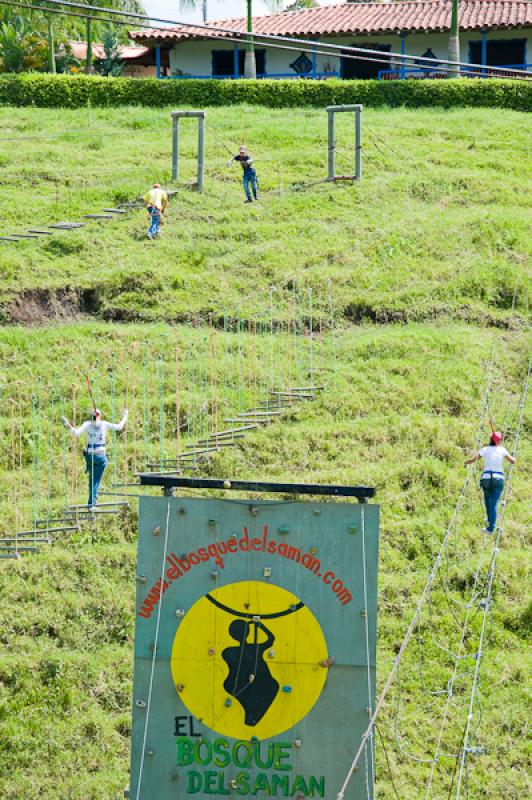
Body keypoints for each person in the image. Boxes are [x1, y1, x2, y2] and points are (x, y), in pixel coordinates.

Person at [61, 407, 128, 509]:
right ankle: (91, 504)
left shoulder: (87, 424)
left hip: (90, 456)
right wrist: (125, 415)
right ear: (99, 416)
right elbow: (119, 427)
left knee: (92, 480)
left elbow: (76, 433)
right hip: (100, 456)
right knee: (96, 480)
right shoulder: (104, 424)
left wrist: (68, 425)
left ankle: (91, 503)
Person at [464, 430, 515, 534]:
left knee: (487, 502)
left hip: (486, 478)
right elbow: (513, 461)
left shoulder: (485, 449)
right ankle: (491, 528)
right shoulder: (502, 450)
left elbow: (473, 460)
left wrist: (466, 462)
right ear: (499, 441)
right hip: (498, 479)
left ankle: (489, 523)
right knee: (494, 503)